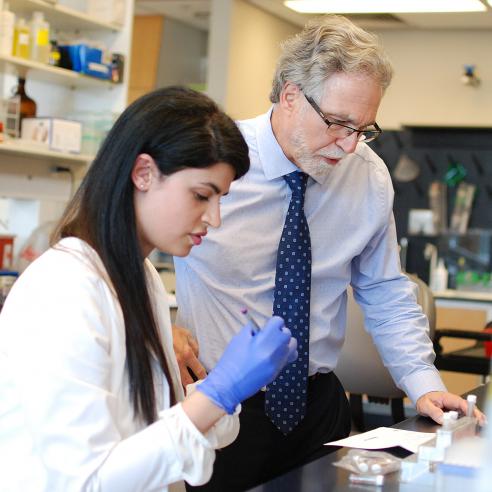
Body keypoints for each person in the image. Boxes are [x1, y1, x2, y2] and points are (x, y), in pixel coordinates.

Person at [173, 15, 486, 491]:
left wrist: (426, 384)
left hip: (317, 407)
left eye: (364, 128)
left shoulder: (368, 176)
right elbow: (120, 245)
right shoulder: (212, 157)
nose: (349, 144)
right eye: (338, 123)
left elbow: (384, 290)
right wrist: (157, 325)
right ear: (290, 95)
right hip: (220, 404)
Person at [0, 86, 297, 491]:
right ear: (143, 173)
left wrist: (217, 390)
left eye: (221, 199)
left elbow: (154, 435)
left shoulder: (142, 278)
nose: (215, 219)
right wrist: (218, 392)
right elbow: (87, 482)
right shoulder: (64, 290)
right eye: (201, 196)